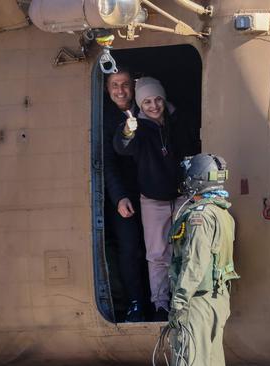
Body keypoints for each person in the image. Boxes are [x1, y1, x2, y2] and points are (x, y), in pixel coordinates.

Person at [113, 77, 199, 320]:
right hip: (153, 199)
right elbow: (122, 146)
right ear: (141, 105)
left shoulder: (179, 120)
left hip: (183, 195)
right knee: (157, 254)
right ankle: (160, 305)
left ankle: (184, 302)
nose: (153, 106)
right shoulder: (135, 126)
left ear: (164, 99)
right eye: (147, 101)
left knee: (185, 250)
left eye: (157, 99)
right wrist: (128, 130)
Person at [167, 153, 240, 366]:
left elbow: (195, 262)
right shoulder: (223, 213)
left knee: (189, 358)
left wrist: (179, 302)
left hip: (196, 301)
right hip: (217, 300)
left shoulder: (200, 216)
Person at [102, 67, 148, 322]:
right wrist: (119, 197)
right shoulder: (105, 119)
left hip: (152, 192)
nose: (121, 90)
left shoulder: (149, 108)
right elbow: (107, 162)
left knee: (156, 250)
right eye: (115, 85)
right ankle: (135, 304)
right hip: (124, 196)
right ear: (108, 90)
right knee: (129, 250)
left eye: (125, 84)